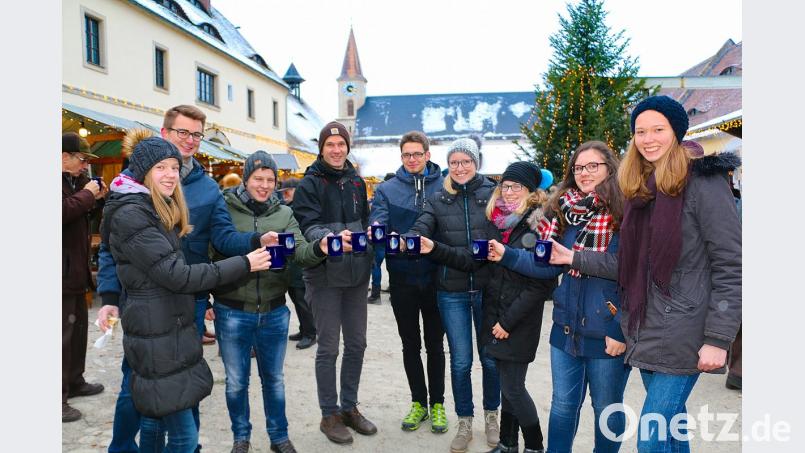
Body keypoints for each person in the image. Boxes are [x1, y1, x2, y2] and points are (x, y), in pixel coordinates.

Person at [96, 105, 274, 453]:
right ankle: (123, 448)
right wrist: (110, 298)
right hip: (150, 304)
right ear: (165, 134)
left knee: (181, 390)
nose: (190, 140)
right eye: (183, 133)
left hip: (186, 300)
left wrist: (254, 242)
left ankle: (184, 445)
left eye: (196, 134)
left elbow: (221, 237)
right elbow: (112, 250)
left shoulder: (206, 187)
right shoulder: (136, 190)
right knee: (138, 390)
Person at [617, 95, 742, 452]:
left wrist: (719, 339)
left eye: (658, 129)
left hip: (686, 331)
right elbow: (632, 262)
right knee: (672, 427)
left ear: (676, 132)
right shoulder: (641, 188)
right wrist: (574, 259)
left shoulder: (704, 181)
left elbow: (731, 264)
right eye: (640, 131)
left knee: (651, 435)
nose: (648, 138)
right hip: (645, 327)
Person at [488, 142, 630, 453]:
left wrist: (620, 327)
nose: (584, 173)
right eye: (579, 167)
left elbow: (631, 273)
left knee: (606, 407)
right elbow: (545, 267)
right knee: (563, 406)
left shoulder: (626, 212)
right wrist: (508, 256)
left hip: (606, 331)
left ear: (610, 168)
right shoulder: (563, 212)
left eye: (593, 166)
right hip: (565, 329)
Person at [425, 161, 554, 453]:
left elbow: (541, 285)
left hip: (517, 321)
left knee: (513, 388)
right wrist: (435, 248)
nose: (508, 192)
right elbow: (472, 261)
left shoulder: (537, 224)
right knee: (508, 388)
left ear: (531, 192)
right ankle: (508, 445)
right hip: (495, 313)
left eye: (516, 187)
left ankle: (534, 446)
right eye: (504, 186)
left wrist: (507, 323)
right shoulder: (497, 224)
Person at [210, 151, 327, 453]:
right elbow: (214, 251)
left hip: (275, 311)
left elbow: (300, 251)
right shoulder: (224, 208)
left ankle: (279, 436)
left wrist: (320, 248)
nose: (264, 185)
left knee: (274, 380)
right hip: (232, 309)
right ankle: (241, 437)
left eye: (270, 180)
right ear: (246, 178)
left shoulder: (284, 213)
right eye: (258, 179)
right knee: (236, 382)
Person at [407, 137, 501, 453]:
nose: (460, 168)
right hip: (452, 293)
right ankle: (464, 420)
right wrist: (410, 239)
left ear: (476, 164)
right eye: (455, 162)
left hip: (487, 290)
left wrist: (439, 250)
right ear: (448, 165)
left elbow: (489, 248)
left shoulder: (492, 195)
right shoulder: (437, 200)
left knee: (490, 359)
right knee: (461, 361)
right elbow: (421, 227)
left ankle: (491, 416)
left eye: (466, 162)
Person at [292, 121, 377, 444]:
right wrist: (327, 238)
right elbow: (307, 223)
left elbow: (365, 218)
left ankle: (349, 407)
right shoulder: (309, 183)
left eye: (341, 144)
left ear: (348, 147)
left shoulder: (356, 180)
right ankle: (329, 414)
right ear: (322, 147)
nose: (337, 149)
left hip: (356, 274)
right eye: (331, 144)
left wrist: (369, 237)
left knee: (357, 344)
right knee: (328, 347)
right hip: (325, 274)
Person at [369, 131, 448, 433]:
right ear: (401, 157)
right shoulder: (387, 189)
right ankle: (418, 402)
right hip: (402, 277)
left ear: (428, 155)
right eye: (407, 154)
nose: (412, 159)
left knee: (436, 345)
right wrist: (377, 229)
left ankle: (438, 403)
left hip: (436, 277)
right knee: (410, 344)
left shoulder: (445, 185)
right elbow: (378, 221)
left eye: (417, 154)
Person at [62, 131, 107, 422]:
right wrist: (88, 193)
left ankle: (74, 381)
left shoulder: (74, 182)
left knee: (77, 332)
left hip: (75, 271)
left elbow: (83, 213)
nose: (84, 165)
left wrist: (97, 197)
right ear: (63, 156)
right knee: (60, 338)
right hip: (60, 273)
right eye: (81, 159)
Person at [279, 177, 318, 349]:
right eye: (283, 192)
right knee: (296, 298)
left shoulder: (298, 209)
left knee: (303, 300)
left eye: (288, 191)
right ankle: (304, 329)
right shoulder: (288, 208)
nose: (285, 194)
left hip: (300, 263)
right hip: (292, 263)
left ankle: (311, 333)